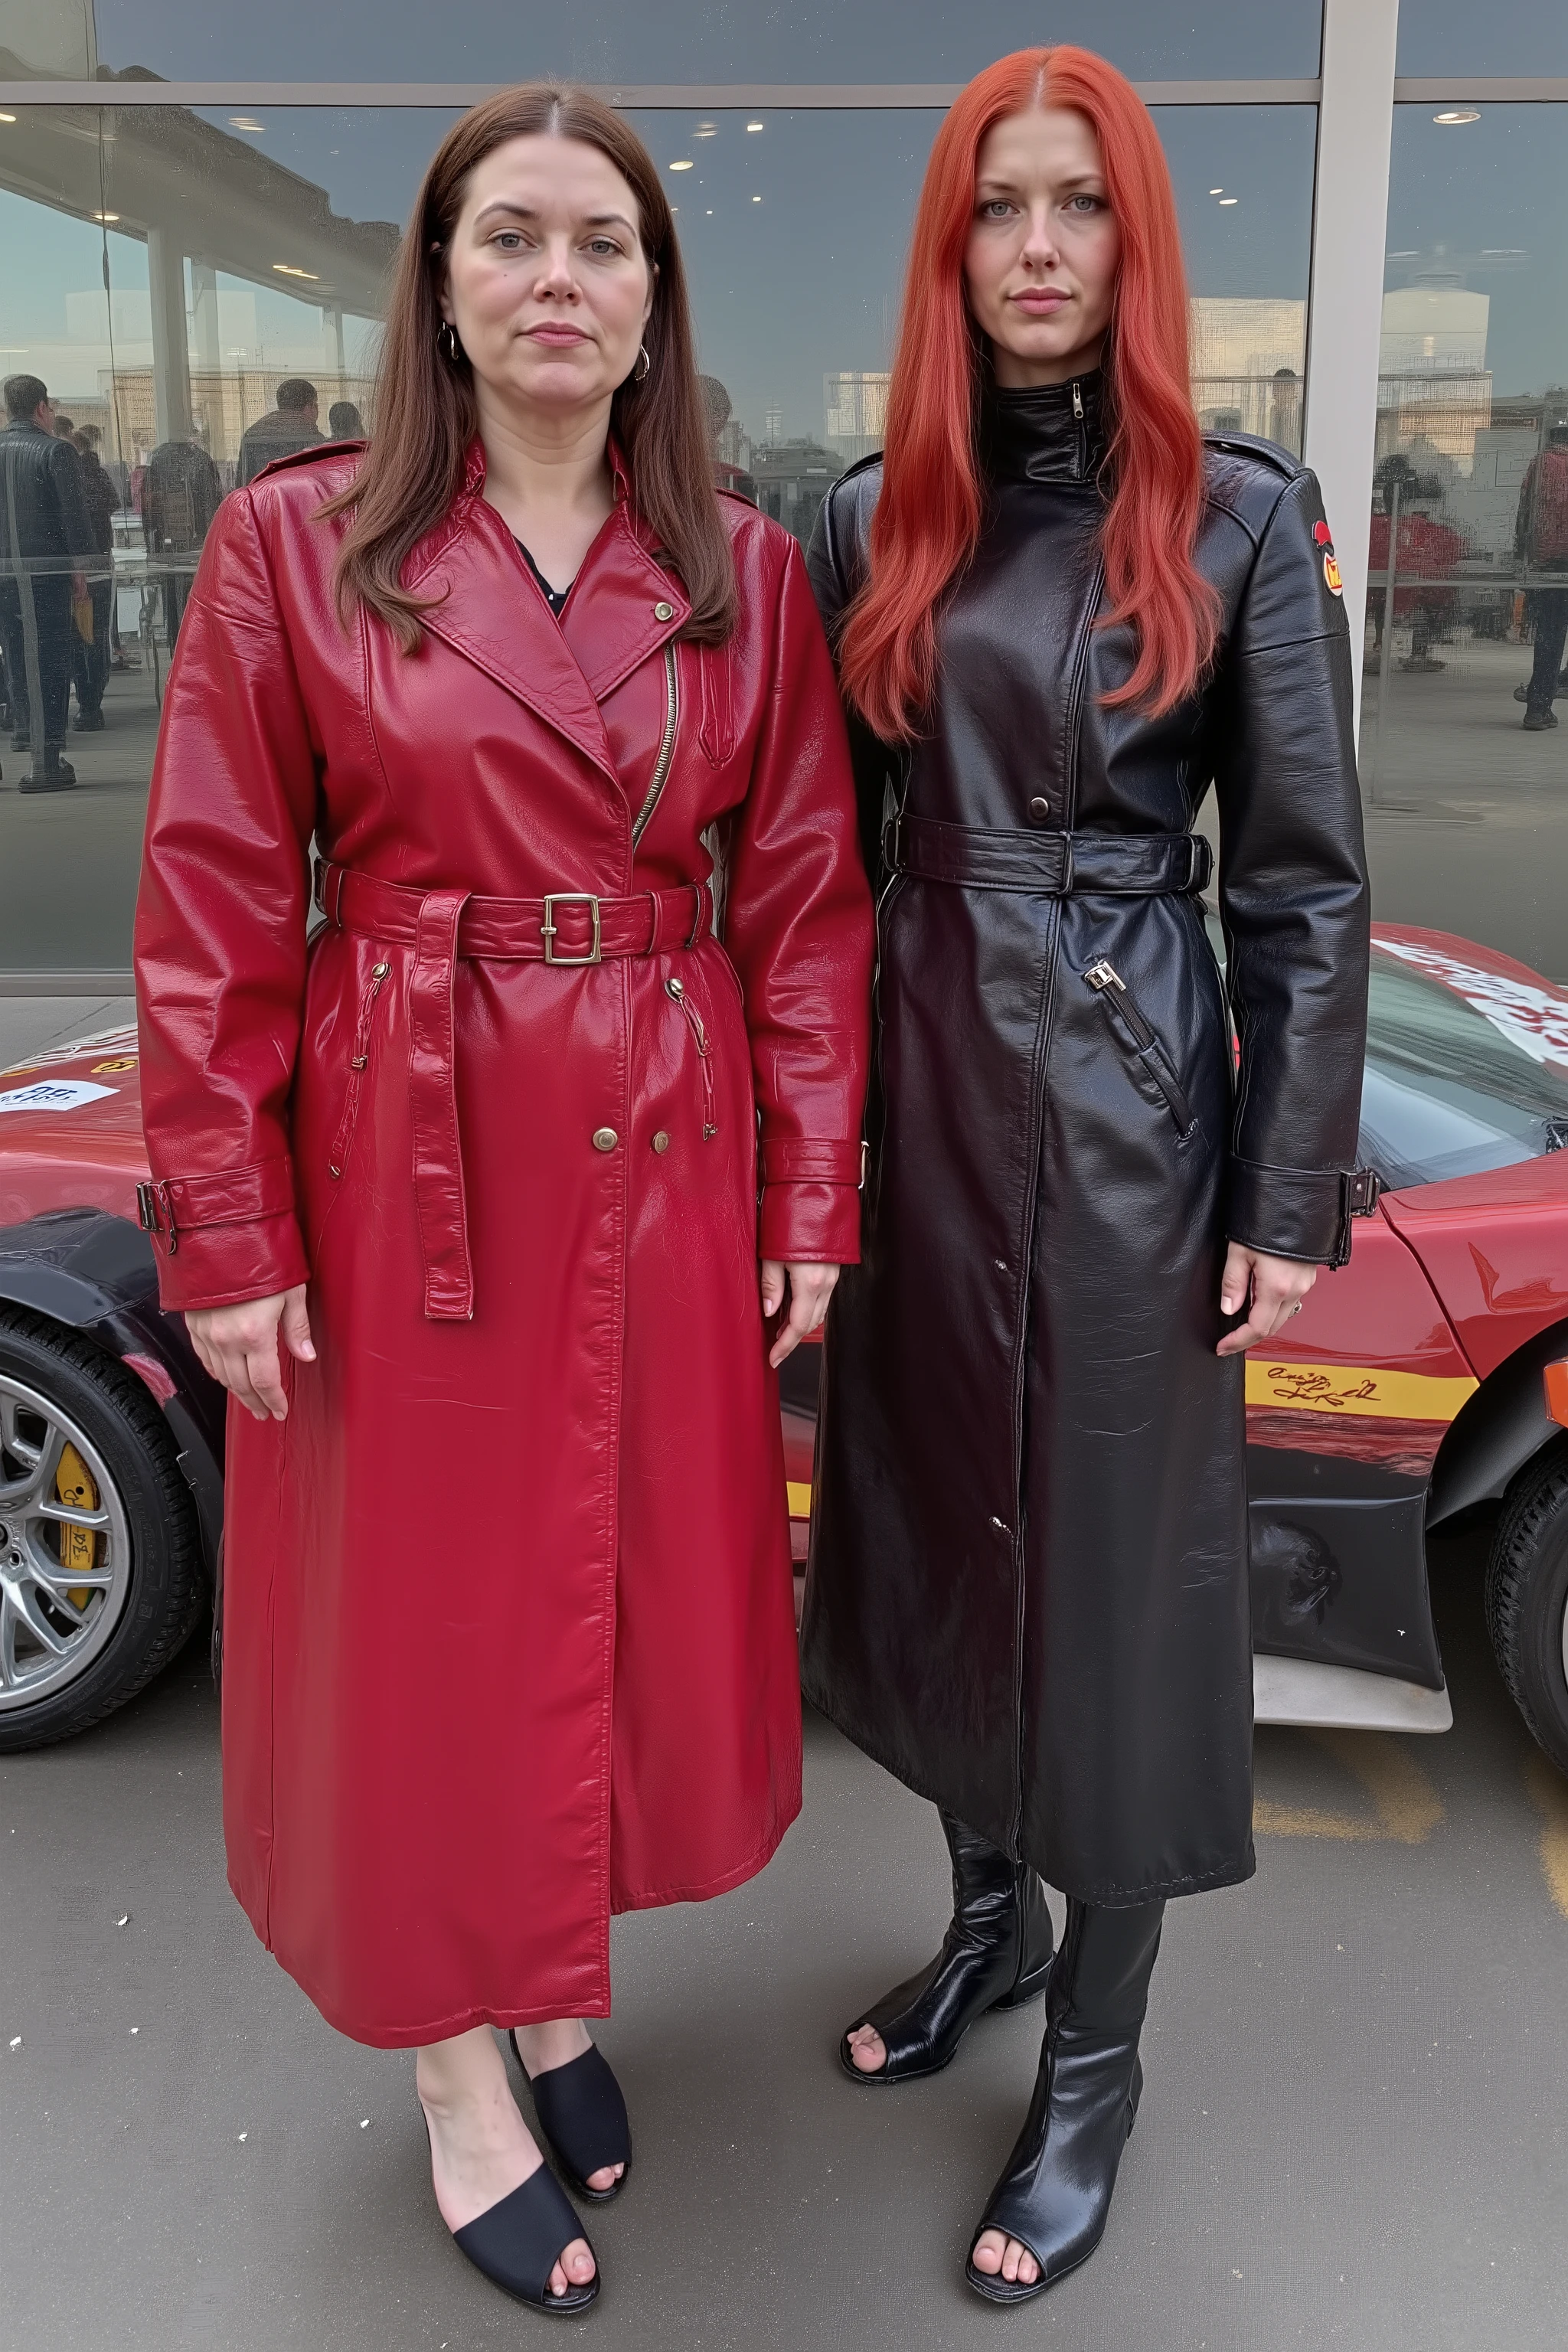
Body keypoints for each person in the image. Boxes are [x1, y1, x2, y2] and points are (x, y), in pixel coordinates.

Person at [134, 84, 872, 2315]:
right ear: (438, 288)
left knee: (610, 1594)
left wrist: (810, 1183)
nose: (560, 281)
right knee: (420, 1627)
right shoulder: (299, 546)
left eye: (605, 246)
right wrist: (228, 1228)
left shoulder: (736, 570)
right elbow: (212, 900)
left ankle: (559, 1989)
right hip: (403, 1150)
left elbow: (813, 903)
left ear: (655, 304)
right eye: (510, 240)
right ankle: (462, 2068)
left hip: (658, 1138)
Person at [801, 45, 1369, 2304]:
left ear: (1130, 243)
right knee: (944, 1544)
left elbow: (1305, 888)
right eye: (994, 210)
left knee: (1114, 1602)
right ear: (948, 251)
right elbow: (829, 866)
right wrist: (810, 1156)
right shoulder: (865, 515)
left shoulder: (1231, 514)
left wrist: (1283, 1187)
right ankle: (983, 1928)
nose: (1034, 246)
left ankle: (1094, 2064)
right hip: (919, 1117)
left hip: (1138, 1139)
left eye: (1076, 207)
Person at [0, 373, 94, 790]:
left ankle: (23, 732)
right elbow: (74, 519)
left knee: (14, 654)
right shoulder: (56, 451)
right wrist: (81, 571)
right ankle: (48, 760)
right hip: (45, 576)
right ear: (41, 408)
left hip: (4, 576)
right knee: (50, 660)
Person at [142, 423, 224, 649]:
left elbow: (150, 511)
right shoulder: (199, 460)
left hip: (173, 546)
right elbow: (212, 504)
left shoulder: (159, 460)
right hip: (193, 546)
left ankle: (180, 647)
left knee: (177, 605)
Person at [1514, 414, 1568, 731]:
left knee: (1550, 634)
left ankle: (1537, 707)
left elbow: (1525, 513)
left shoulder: (1540, 465)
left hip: (1548, 563)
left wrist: (1521, 555)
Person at [70, 427, 119, 729]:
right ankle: (91, 702)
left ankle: (87, 701)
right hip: (98, 562)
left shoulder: (76, 480)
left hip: (79, 567)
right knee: (95, 634)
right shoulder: (98, 476)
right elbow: (112, 503)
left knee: (81, 636)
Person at [235, 377, 324, 485]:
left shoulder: (252, 433)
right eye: (316, 404)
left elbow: (242, 484)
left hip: (262, 500)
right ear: (310, 405)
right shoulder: (311, 435)